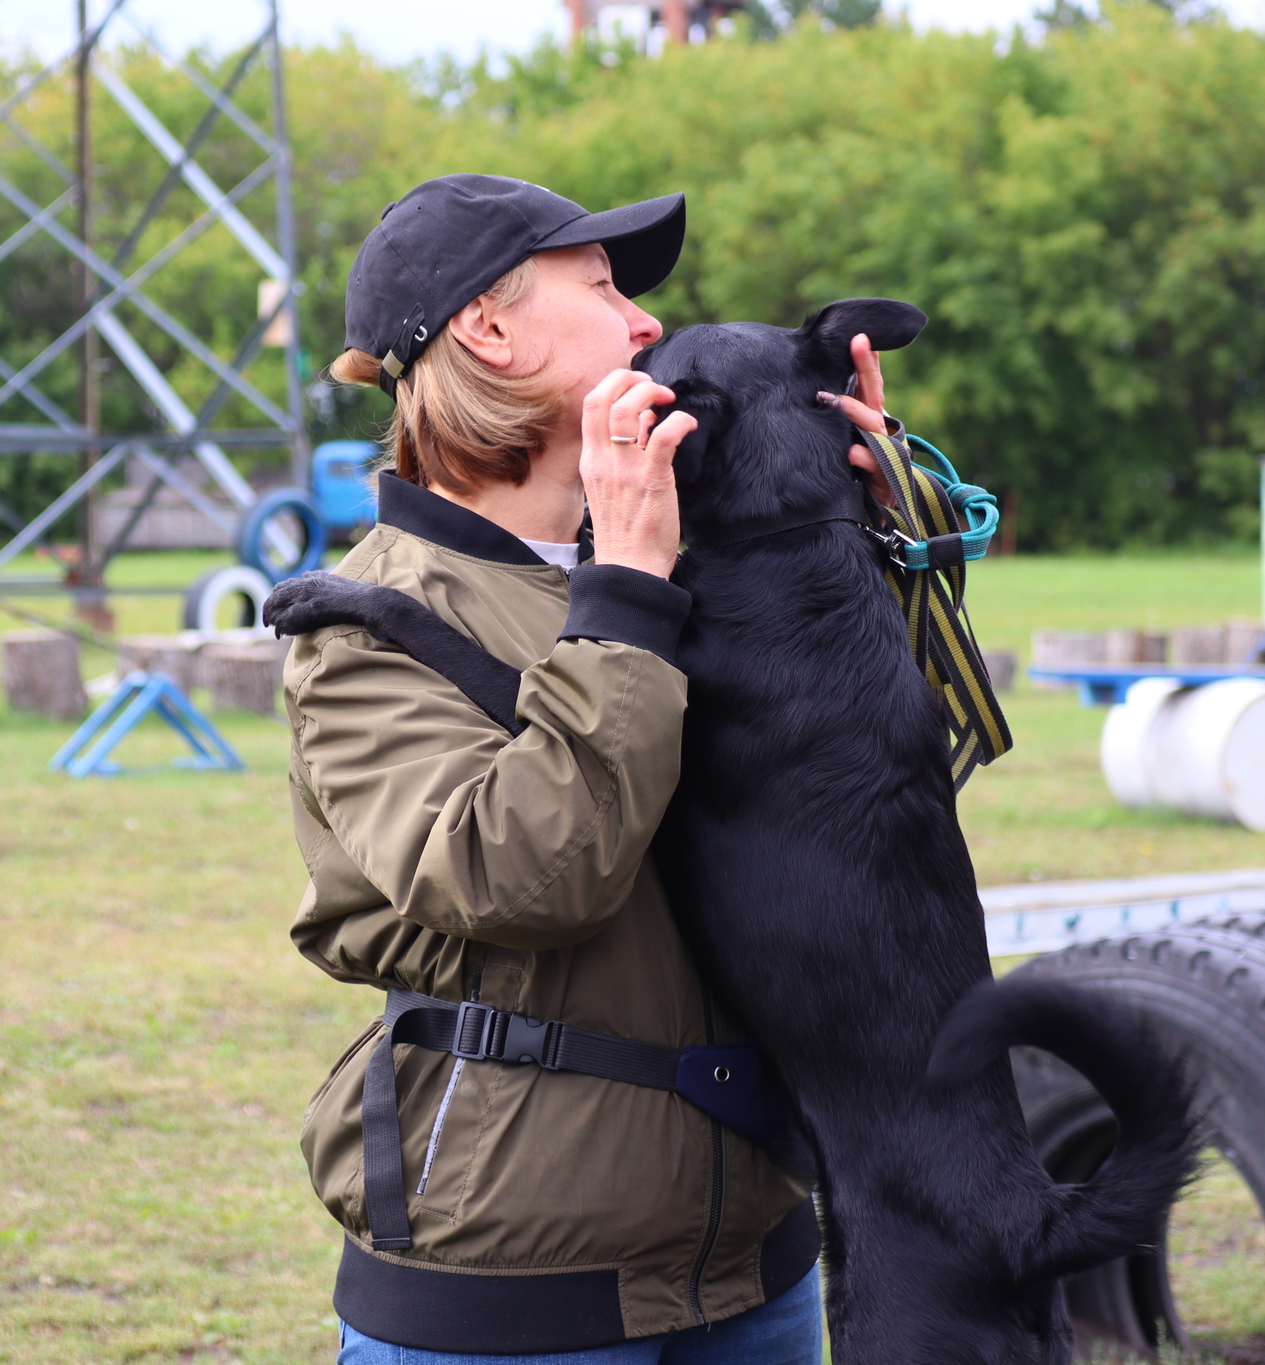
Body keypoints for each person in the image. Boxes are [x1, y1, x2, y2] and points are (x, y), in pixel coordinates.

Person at [279, 175, 900, 1365]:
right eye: (605, 287)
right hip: (512, 1290)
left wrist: (850, 545)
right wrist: (623, 590)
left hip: (757, 1262)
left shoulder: (683, 561)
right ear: (489, 330)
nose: (646, 323)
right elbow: (515, 877)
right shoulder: (366, 619)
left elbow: (870, 808)